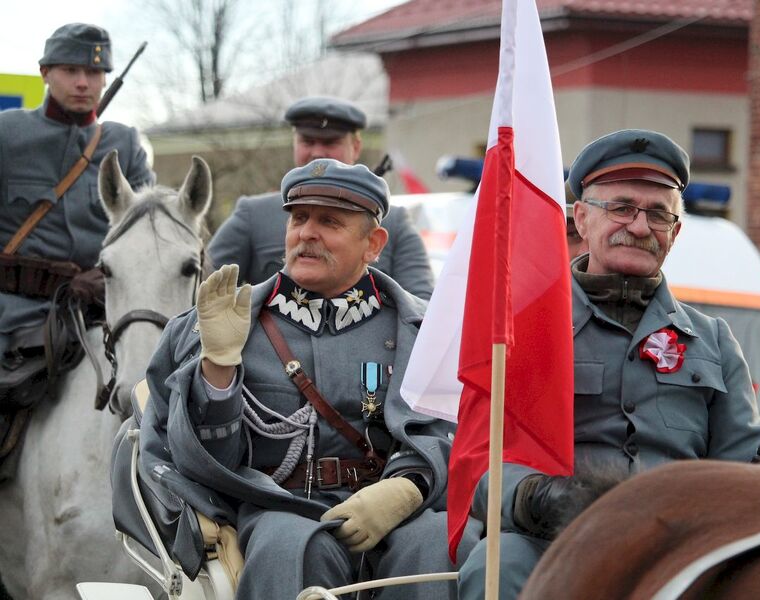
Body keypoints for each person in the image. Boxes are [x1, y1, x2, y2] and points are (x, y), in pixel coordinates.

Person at [457, 129, 760, 599]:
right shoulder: (523, 331)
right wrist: (534, 496)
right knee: (496, 565)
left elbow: (740, 456)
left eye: (658, 214)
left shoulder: (713, 340)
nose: (639, 227)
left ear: (675, 232)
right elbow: (477, 460)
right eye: (621, 208)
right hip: (556, 542)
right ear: (581, 218)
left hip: (680, 548)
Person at [139, 159, 457, 600]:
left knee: (439, 542)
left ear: (374, 243)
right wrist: (217, 369)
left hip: (393, 509)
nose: (307, 233)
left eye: (329, 222)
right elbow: (201, 462)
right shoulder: (219, 325)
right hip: (276, 508)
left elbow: (458, 430)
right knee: (291, 545)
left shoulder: (424, 332)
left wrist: (409, 488)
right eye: (299, 218)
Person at [0, 23, 154, 467]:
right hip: (12, 314)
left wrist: (104, 279)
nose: (84, 82)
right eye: (70, 70)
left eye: (95, 71)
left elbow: (147, 240)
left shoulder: (124, 144)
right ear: (45, 72)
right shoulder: (8, 136)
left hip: (95, 316)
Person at [208, 95, 435, 299]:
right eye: (307, 141)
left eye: (330, 142)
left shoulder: (393, 222)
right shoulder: (253, 214)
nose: (317, 152)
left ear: (356, 147)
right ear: (294, 144)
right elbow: (205, 289)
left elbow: (421, 309)